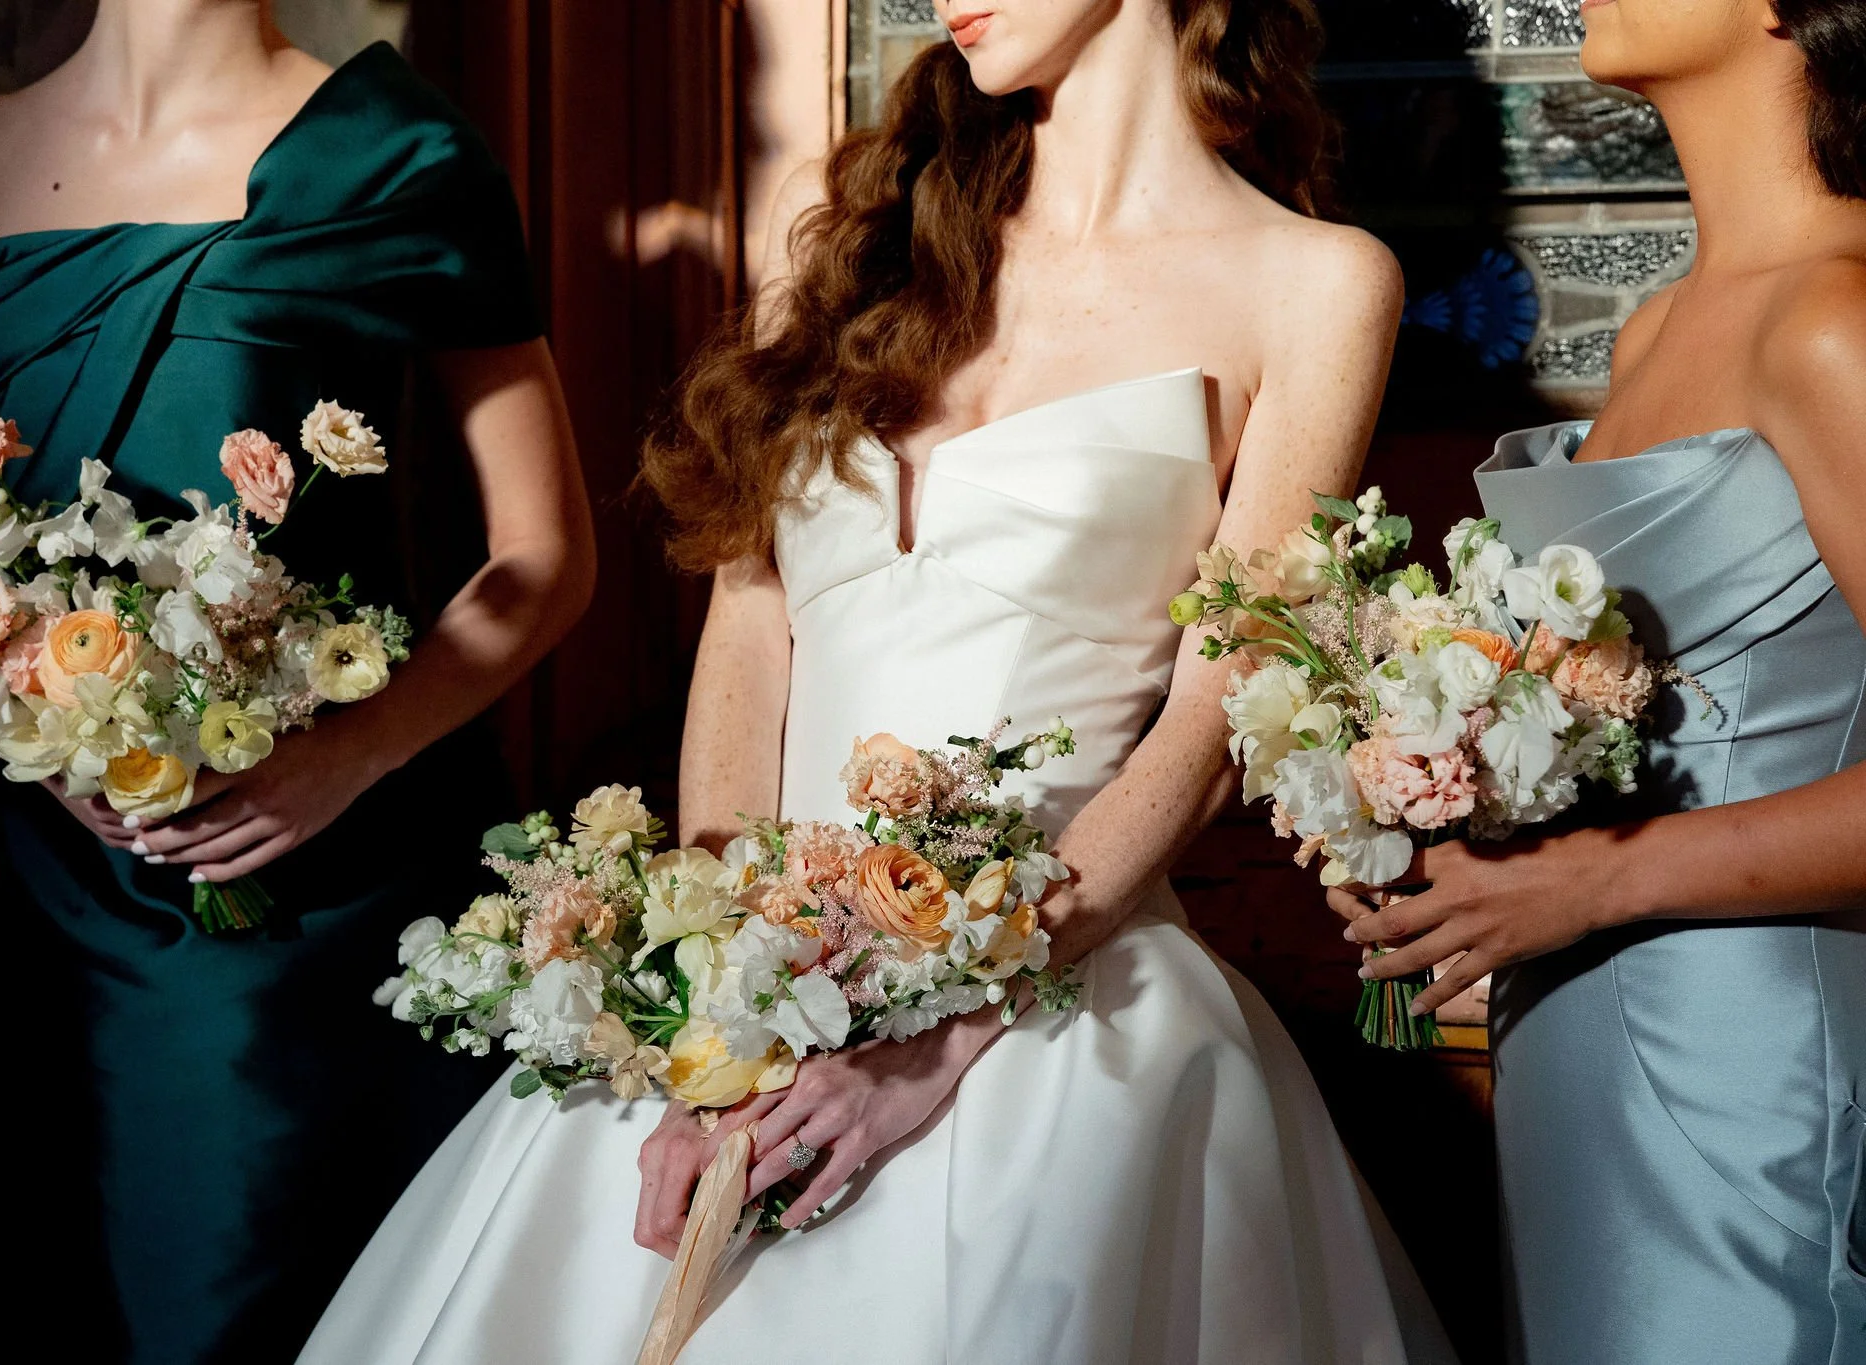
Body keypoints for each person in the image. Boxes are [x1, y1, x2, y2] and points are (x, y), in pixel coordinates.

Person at [302, 3, 1455, 1361]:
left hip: (1054, 995)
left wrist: (946, 1032)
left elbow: (1214, 717)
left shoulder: (1315, 284)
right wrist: (712, 1007)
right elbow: (750, 626)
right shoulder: (859, 229)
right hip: (762, 976)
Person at [0, 4, 593, 1360]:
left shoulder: (392, 149)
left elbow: (544, 559)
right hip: (66, 879)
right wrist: (36, 721)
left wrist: (348, 757)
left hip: (327, 880)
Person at [1337, 0, 1866, 1359]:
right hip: (1574, 1050)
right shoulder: (1653, 334)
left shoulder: (1839, 321)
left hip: (1751, 1072)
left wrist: (1589, 882)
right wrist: (1456, 854)